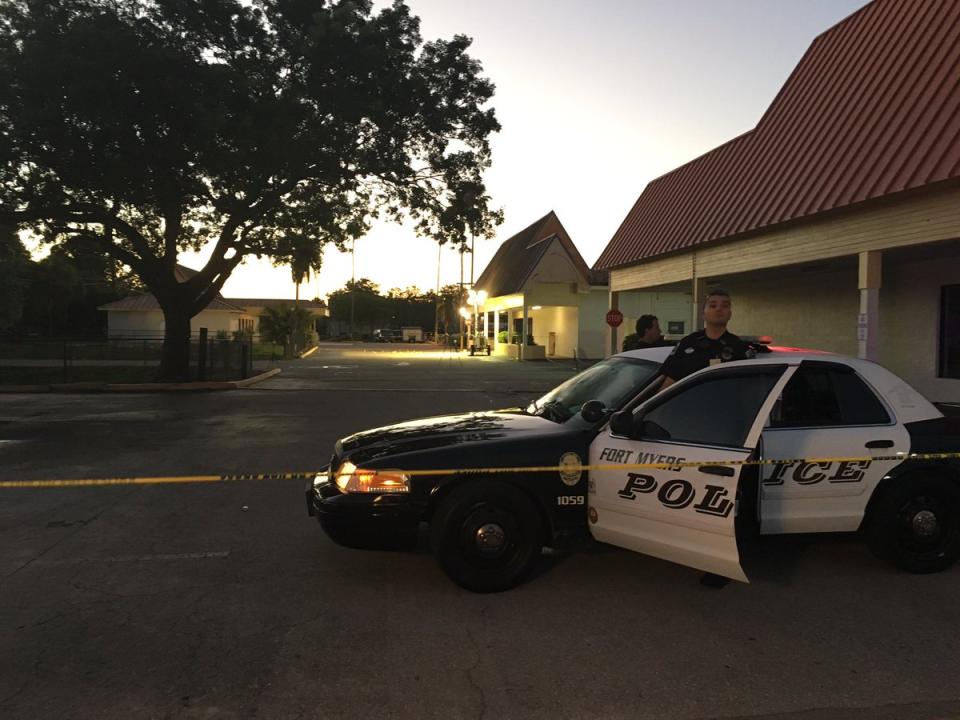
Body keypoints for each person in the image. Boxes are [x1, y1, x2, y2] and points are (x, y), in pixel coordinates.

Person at [659, 289, 752, 389]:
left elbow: (748, 386)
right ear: (703, 314)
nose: (718, 309)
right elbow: (670, 381)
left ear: (730, 314)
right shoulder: (688, 343)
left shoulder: (739, 347)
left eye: (725, 306)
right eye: (713, 305)